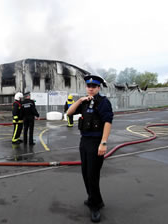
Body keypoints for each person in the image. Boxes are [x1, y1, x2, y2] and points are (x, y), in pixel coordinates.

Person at [67, 75, 113, 223]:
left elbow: (107, 122)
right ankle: (95, 199)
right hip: (84, 141)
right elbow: (69, 113)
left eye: (94, 87)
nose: (91, 89)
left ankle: (95, 206)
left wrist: (103, 143)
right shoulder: (85, 102)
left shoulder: (103, 102)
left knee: (93, 175)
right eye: (88, 86)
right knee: (86, 173)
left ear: (98, 88)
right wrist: (80, 100)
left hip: (96, 142)